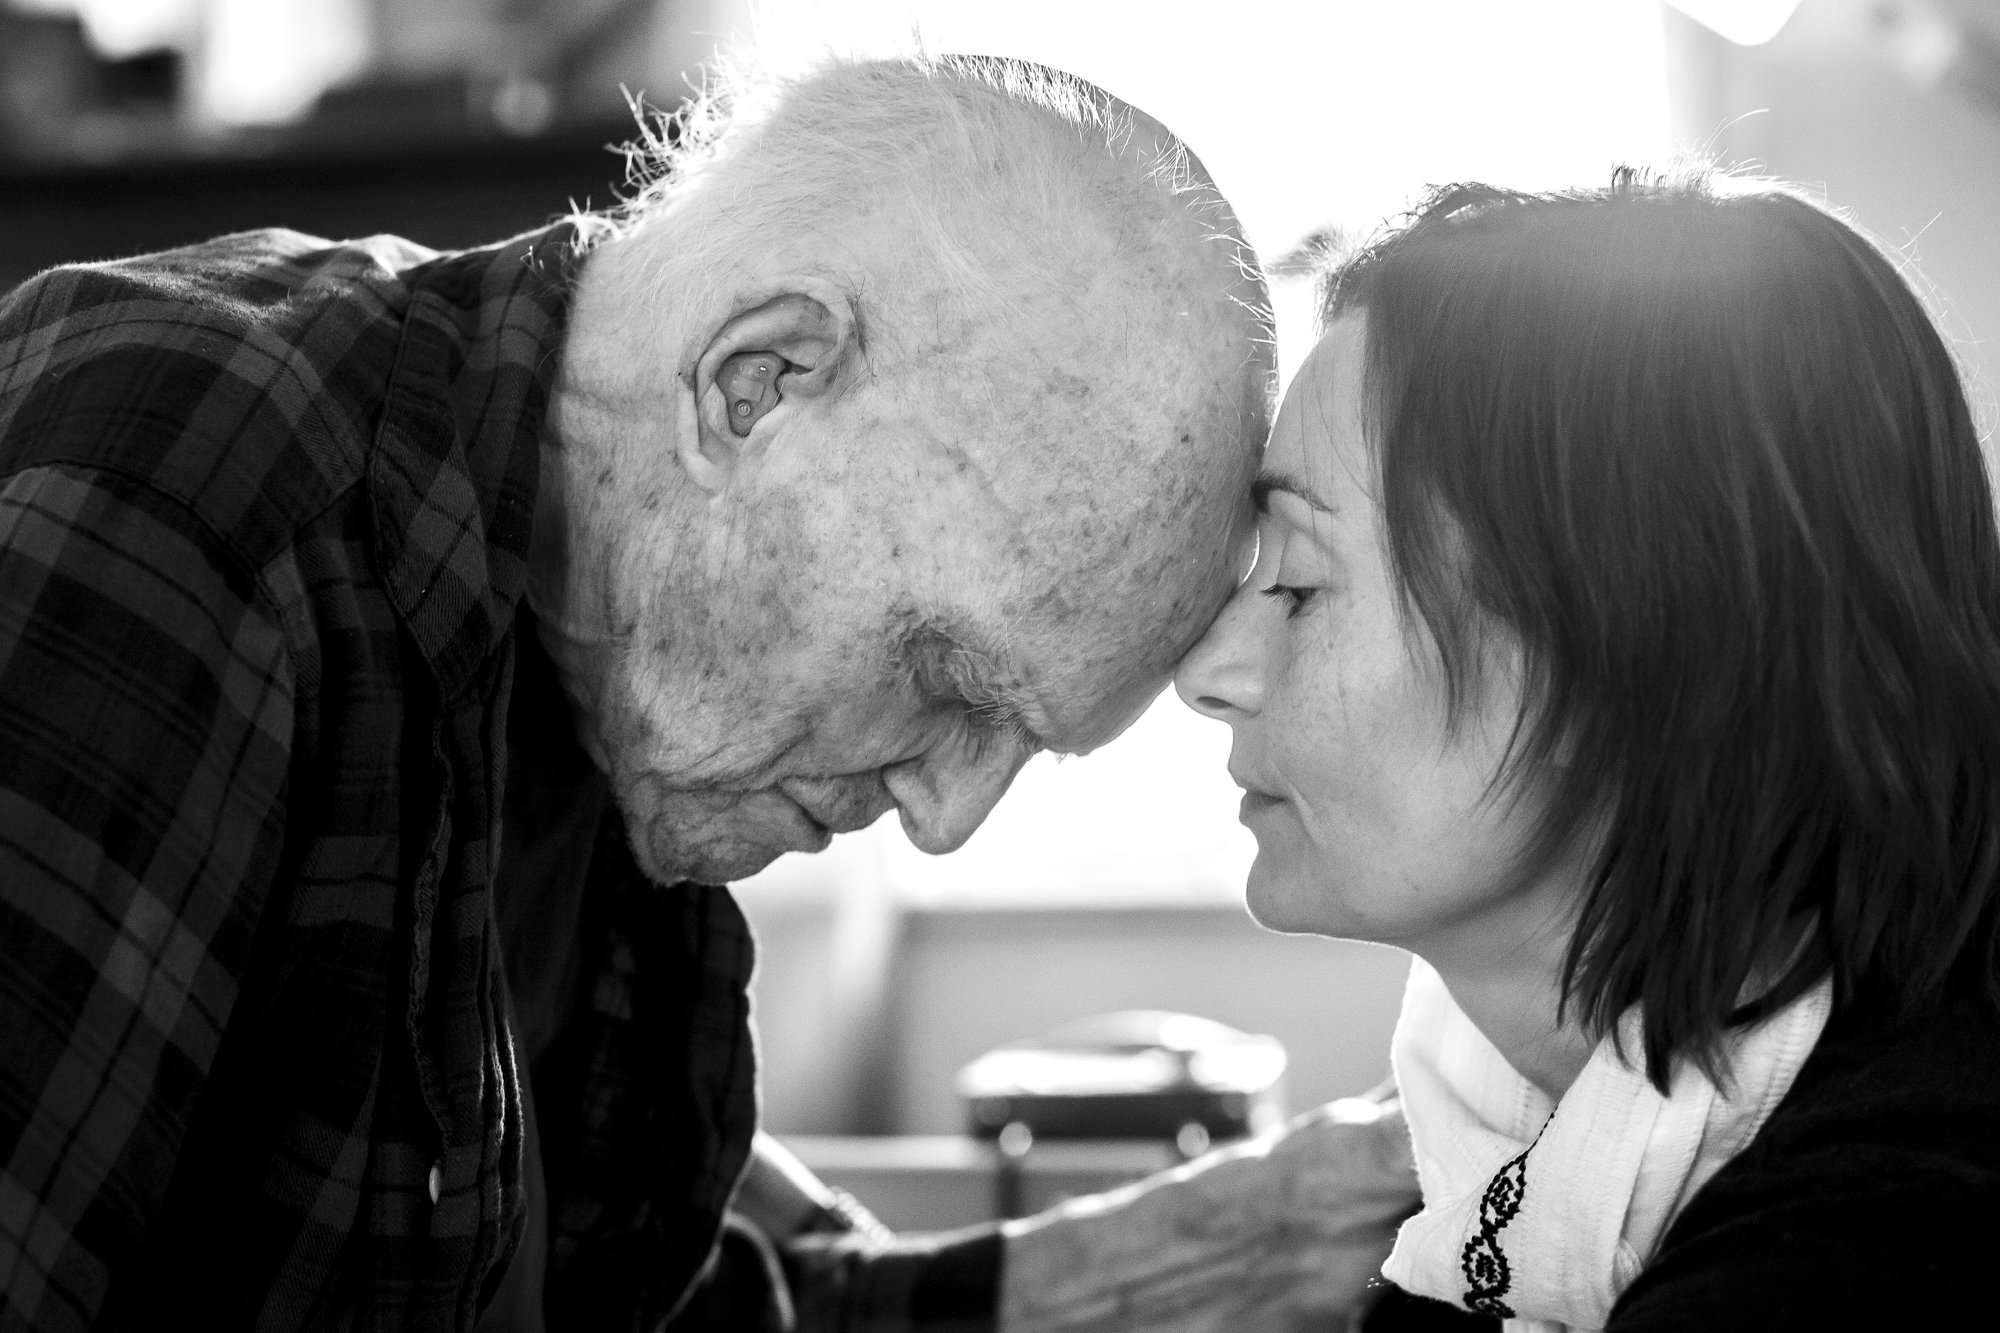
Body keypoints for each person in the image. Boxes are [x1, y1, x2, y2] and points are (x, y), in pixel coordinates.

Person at [0, 52, 1307, 1331]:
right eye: (947, 678)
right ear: (755, 385)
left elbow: (646, 1301)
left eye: (1028, 747)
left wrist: (1203, 1248)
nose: (943, 819)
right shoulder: (197, 490)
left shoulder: (616, 676)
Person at [1175, 168, 2000, 1330]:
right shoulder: (1497, 1192)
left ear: (1635, 643)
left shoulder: (1891, 1246)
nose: (1206, 671)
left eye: (1299, 582)